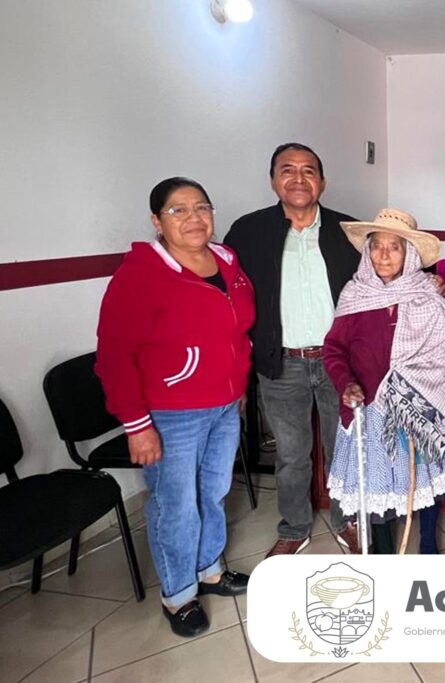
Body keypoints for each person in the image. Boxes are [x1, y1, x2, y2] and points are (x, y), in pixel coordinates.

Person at [96, 177, 255, 637]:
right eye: (178, 210)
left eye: (201, 207)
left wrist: (238, 385)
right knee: (176, 505)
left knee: (213, 492)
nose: (193, 218)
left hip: (224, 405)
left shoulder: (227, 261)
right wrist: (136, 424)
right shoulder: (141, 274)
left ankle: (209, 571)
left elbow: (237, 332)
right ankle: (179, 595)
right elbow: (114, 355)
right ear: (157, 220)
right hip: (172, 413)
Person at [224, 143, 362, 557]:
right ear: (273, 180)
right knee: (290, 454)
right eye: (288, 170)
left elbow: (382, 279)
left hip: (340, 363)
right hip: (281, 362)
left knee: (345, 449)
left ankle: (348, 521)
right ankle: (294, 527)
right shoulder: (248, 232)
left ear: (322, 182)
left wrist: (430, 280)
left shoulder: (348, 231)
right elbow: (227, 296)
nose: (298, 178)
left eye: (308, 171)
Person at [323, 209, 445, 554]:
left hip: (419, 404)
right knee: (380, 486)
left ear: (409, 254)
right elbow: (334, 349)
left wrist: (419, 387)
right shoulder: (355, 296)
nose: (384, 255)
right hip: (372, 411)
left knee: (425, 478)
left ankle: (428, 546)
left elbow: (444, 352)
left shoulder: (428, 296)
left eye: (394, 247)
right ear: (367, 251)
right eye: (377, 246)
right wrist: (346, 383)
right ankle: (384, 556)